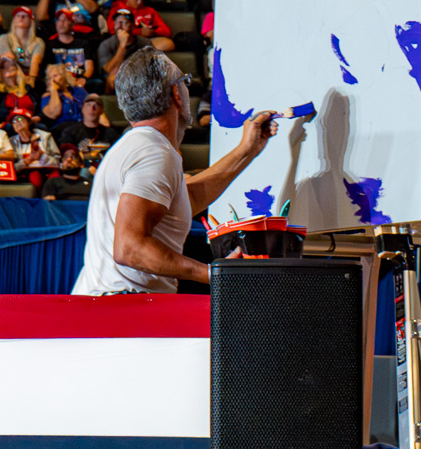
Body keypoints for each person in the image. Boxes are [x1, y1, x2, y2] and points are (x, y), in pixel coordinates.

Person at [73, 48, 275, 293]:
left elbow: (188, 199)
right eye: (185, 82)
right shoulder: (154, 152)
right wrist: (211, 273)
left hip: (108, 305)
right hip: (126, 309)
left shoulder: (134, 147)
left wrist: (247, 150)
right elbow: (128, 248)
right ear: (176, 93)